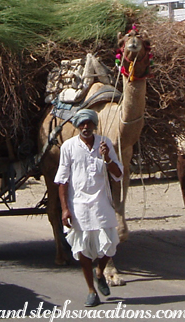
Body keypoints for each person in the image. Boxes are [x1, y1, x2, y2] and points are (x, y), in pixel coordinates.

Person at [54, 109, 123, 307]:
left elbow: (118, 174)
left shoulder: (105, 143)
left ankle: (100, 271)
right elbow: (62, 180)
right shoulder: (68, 147)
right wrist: (65, 209)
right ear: (77, 126)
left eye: (89, 124)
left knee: (110, 244)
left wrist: (107, 157)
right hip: (79, 206)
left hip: (102, 203)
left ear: (95, 125)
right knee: (83, 250)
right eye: (82, 124)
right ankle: (91, 290)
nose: (86, 127)